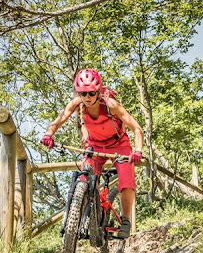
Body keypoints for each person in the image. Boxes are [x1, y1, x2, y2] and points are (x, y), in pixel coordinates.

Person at [41, 68, 144, 239]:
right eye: (82, 94)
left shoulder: (110, 105)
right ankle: (88, 213)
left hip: (119, 145)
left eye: (90, 93)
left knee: (126, 180)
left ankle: (126, 220)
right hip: (94, 146)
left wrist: (138, 150)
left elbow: (137, 129)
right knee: (85, 177)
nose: (87, 98)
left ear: (97, 92)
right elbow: (58, 121)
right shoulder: (76, 104)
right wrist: (48, 134)